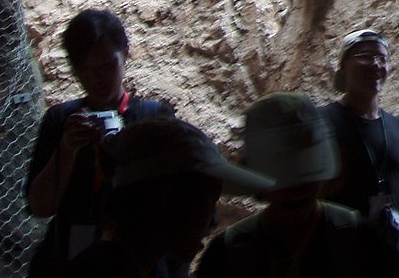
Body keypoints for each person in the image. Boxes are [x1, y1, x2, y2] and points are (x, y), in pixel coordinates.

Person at [25, 9, 176, 278]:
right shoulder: (61, 120)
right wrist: (67, 149)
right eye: (85, 69)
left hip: (138, 257)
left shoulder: (154, 118)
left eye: (107, 66)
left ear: (125, 54)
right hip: (70, 254)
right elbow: (39, 207)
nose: (97, 78)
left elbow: (175, 204)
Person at [196, 93, 399, 278]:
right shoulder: (226, 254)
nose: (296, 189)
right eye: (284, 176)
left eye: (304, 174)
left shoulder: (365, 242)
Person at [64, 116, 273, 278]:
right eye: (207, 201)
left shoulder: (131, 266)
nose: (213, 221)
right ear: (165, 199)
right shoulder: (109, 272)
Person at [318, 29, 399, 276]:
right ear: (343, 65)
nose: (376, 65)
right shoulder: (321, 124)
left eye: (382, 58)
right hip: (333, 264)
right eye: (365, 56)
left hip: (388, 264)